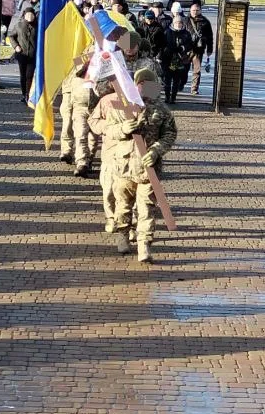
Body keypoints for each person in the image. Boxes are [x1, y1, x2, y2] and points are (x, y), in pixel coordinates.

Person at [88, 67, 177, 263]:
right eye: (141, 84)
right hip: (124, 165)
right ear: (135, 84)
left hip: (148, 169)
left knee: (146, 209)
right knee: (123, 206)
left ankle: (144, 245)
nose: (144, 87)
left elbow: (170, 134)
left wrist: (156, 150)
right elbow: (99, 126)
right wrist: (121, 129)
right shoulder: (120, 105)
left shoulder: (160, 109)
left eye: (148, 84)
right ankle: (123, 235)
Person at [58, 49, 100, 177]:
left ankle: (89, 159)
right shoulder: (78, 67)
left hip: (97, 107)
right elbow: (74, 65)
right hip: (80, 107)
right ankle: (81, 162)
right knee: (80, 134)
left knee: (93, 138)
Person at [159, 11, 195, 104]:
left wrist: (183, 48)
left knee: (176, 80)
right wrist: (167, 51)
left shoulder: (186, 33)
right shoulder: (167, 32)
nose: (178, 24)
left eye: (180, 23)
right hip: (168, 59)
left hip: (180, 59)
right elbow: (162, 44)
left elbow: (190, 45)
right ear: (173, 23)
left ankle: (173, 98)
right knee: (167, 80)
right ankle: (167, 97)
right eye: (177, 23)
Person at [6, 7, 38, 101]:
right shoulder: (19, 25)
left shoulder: (38, 26)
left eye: (32, 15)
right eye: (28, 15)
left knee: (29, 75)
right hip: (22, 54)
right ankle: (24, 94)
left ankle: (28, 95)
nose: (30, 17)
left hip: (33, 55)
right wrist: (16, 46)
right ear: (24, 15)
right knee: (23, 75)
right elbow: (11, 36)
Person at [187, 1, 214, 94]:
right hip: (186, 50)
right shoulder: (185, 20)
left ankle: (194, 89)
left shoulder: (205, 22)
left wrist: (209, 49)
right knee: (182, 69)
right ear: (190, 10)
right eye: (193, 10)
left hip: (198, 50)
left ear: (200, 11)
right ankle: (180, 84)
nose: (195, 12)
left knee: (196, 70)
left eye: (197, 10)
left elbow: (210, 37)